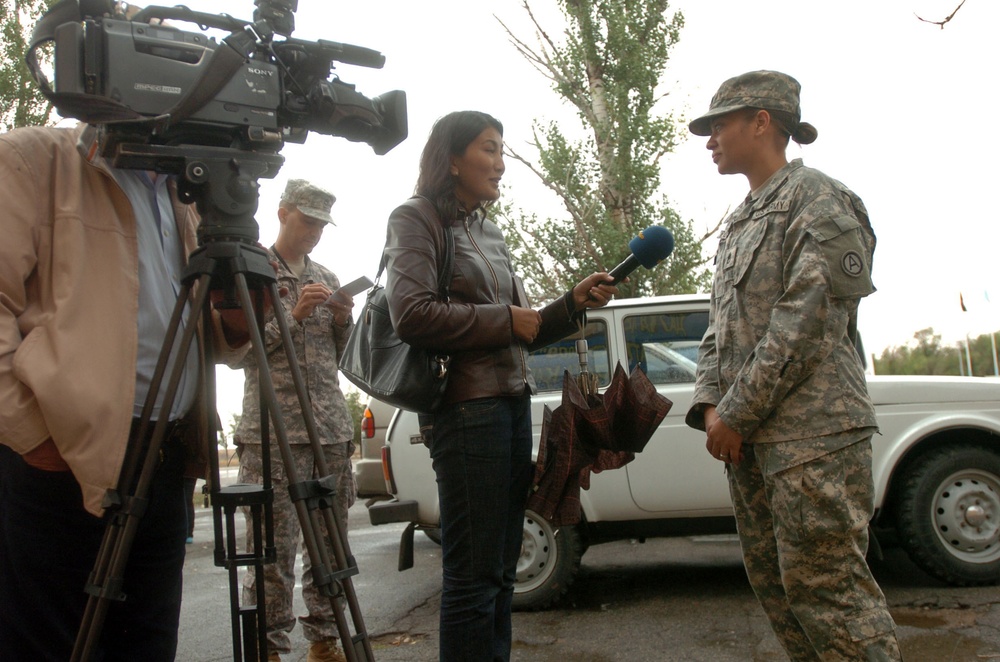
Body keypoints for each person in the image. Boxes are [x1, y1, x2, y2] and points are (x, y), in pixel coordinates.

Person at [0, 122, 249, 661]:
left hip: (165, 457)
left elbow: (195, 328)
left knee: (146, 646)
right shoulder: (32, 159)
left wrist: (237, 322)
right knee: (51, 647)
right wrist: (31, 437)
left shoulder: (187, 193)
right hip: (63, 460)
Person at [384, 110, 618, 662]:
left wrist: (569, 306)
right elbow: (411, 314)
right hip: (465, 413)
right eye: (489, 149)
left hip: (510, 406)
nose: (501, 163)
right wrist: (503, 319)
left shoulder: (488, 231)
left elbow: (520, 330)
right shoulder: (415, 219)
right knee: (473, 576)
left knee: (503, 571)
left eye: (501, 150)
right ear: (452, 159)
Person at [684, 70, 902, 660]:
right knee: (780, 591)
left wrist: (736, 411)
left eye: (719, 124)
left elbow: (807, 321)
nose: (709, 139)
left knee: (830, 597)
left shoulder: (821, 200)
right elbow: (719, 327)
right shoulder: (740, 220)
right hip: (751, 441)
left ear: (763, 122)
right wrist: (709, 407)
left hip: (813, 438)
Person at [230, 179, 357, 662]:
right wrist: (293, 315)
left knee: (330, 547)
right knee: (272, 551)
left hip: (328, 433)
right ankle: (268, 647)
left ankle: (326, 640)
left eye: (322, 224)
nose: (315, 232)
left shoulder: (325, 274)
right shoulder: (254, 273)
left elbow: (339, 360)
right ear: (282, 213)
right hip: (273, 435)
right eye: (307, 221)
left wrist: (343, 320)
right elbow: (238, 352)